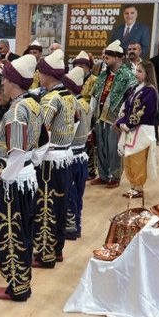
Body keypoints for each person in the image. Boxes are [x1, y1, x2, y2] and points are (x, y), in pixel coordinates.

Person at [0, 54, 45, 302]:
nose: (2, 82)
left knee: (11, 235)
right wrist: (33, 164)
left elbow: (17, 151)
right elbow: (44, 141)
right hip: (28, 176)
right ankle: (21, 283)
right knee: (24, 232)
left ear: (13, 83)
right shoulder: (34, 104)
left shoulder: (16, 111)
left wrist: (3, 178)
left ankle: (18, 287)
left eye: (5, 79)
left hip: (15, 181)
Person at [31, 49, 76, 269]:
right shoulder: (68, 95)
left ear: (48, 74)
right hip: (65, 155)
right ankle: (56, 249)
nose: (39, 75)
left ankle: (45, 254)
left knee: (46, 205)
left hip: (50, 158)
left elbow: (42, 130)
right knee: (59, 203)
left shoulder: (50, 99)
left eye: (41, 72)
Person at [90, 40, 136, 189]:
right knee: (101, 147)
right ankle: (103, 175)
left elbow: (131, 99)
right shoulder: (103, 74)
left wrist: (124, 119)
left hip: (115, 119)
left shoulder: (128, 76)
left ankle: (115, 177)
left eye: (108, 57)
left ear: (117, 58)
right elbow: (96, 93)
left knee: (114, 149)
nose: (105, 60)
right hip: (100, 116)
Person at [116, 61, 159, 199]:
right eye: (137, 70)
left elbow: (144, 112)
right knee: (128, 157)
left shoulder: (150, 91)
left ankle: (138, 187)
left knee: (138, 159)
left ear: (148, 74)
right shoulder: (135, 88)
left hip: (142, 130)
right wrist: (122, 122)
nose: (136, 73)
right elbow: (126, 107)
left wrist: (129, 124)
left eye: (140, 71)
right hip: (131, 129)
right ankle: (133, 185)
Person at [61, 66, 91, 241]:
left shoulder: (72, 104)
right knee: (78, 193)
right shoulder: (86, 104)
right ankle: (76, 224)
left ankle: (71, 227)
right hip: (82, 153)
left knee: (70, 193)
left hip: (71, 153)